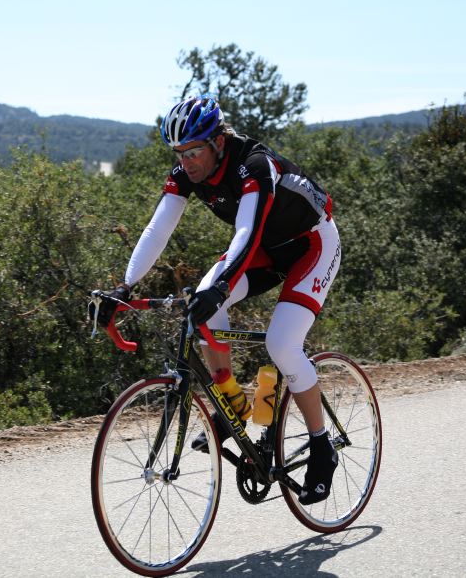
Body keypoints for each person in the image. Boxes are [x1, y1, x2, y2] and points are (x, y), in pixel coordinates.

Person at [95, 94, 341, 505]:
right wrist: (124, 288)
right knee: (200, 306)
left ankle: (321, 445)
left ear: (218, 142)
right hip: (265, 250)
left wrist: (222, 287)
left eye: (194, 151)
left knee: (281, 343)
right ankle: (235, 406)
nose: (186, 161)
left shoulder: (254, 166)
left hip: (311, 245)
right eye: (179, 153)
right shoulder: (185, 173)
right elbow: (157, 230)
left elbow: (245, 232)